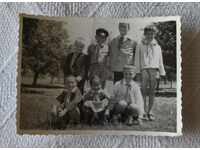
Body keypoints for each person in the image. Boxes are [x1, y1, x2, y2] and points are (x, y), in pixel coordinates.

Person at [134, 25, 166, 121]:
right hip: (144, 70)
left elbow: (160, 61)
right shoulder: (140, 45)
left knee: (152, 92)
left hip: (154, 70)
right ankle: (143, 111)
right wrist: (138, 72)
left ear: (154, 34)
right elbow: (137, 59)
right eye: (148, 33)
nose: (150, 35)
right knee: (143, 91)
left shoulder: (158, 46)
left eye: (152, 33)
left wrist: (162, 72)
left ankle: (150, 111)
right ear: (145, 34)